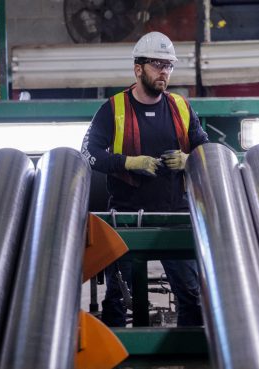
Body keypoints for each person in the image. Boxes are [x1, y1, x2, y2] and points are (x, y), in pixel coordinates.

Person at [81, 31, 209, 327]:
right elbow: (88, 153)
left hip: (173, 215)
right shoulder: (113, 109)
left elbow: (208, 151)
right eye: (157, 64)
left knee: (191, 297)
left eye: (169, 65)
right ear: (138, 68)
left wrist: (191, 161)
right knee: (116, 299)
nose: (164, 71)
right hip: (126, 217)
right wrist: (128, 162)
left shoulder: (181, 107)